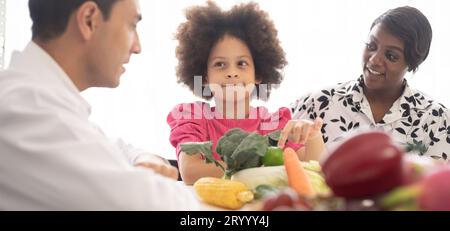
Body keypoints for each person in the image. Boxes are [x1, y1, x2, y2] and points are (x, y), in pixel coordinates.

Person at [0, 0, 198, 210]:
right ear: (89, 20)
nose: (137, 47)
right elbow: (163, 206)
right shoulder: (31, 111)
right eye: (131, 25)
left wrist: (144, 158)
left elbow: (112, 147)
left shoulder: (35, 98)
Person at [167, 1, 325, 185]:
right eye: (220, 64)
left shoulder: (273, 124)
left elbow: (311, 168)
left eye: (241, 63)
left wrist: (313, 136)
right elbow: (191, 171)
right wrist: (265, 165)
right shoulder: (192, 117)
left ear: (258, 74)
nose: (232, 72)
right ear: (204, 77)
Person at [292, 6, 449, 161]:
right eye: (371, 46)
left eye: (391, 56)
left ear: (412, 64)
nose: (374, 60)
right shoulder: (319, 102)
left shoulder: (437, 120)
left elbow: (436, 182)